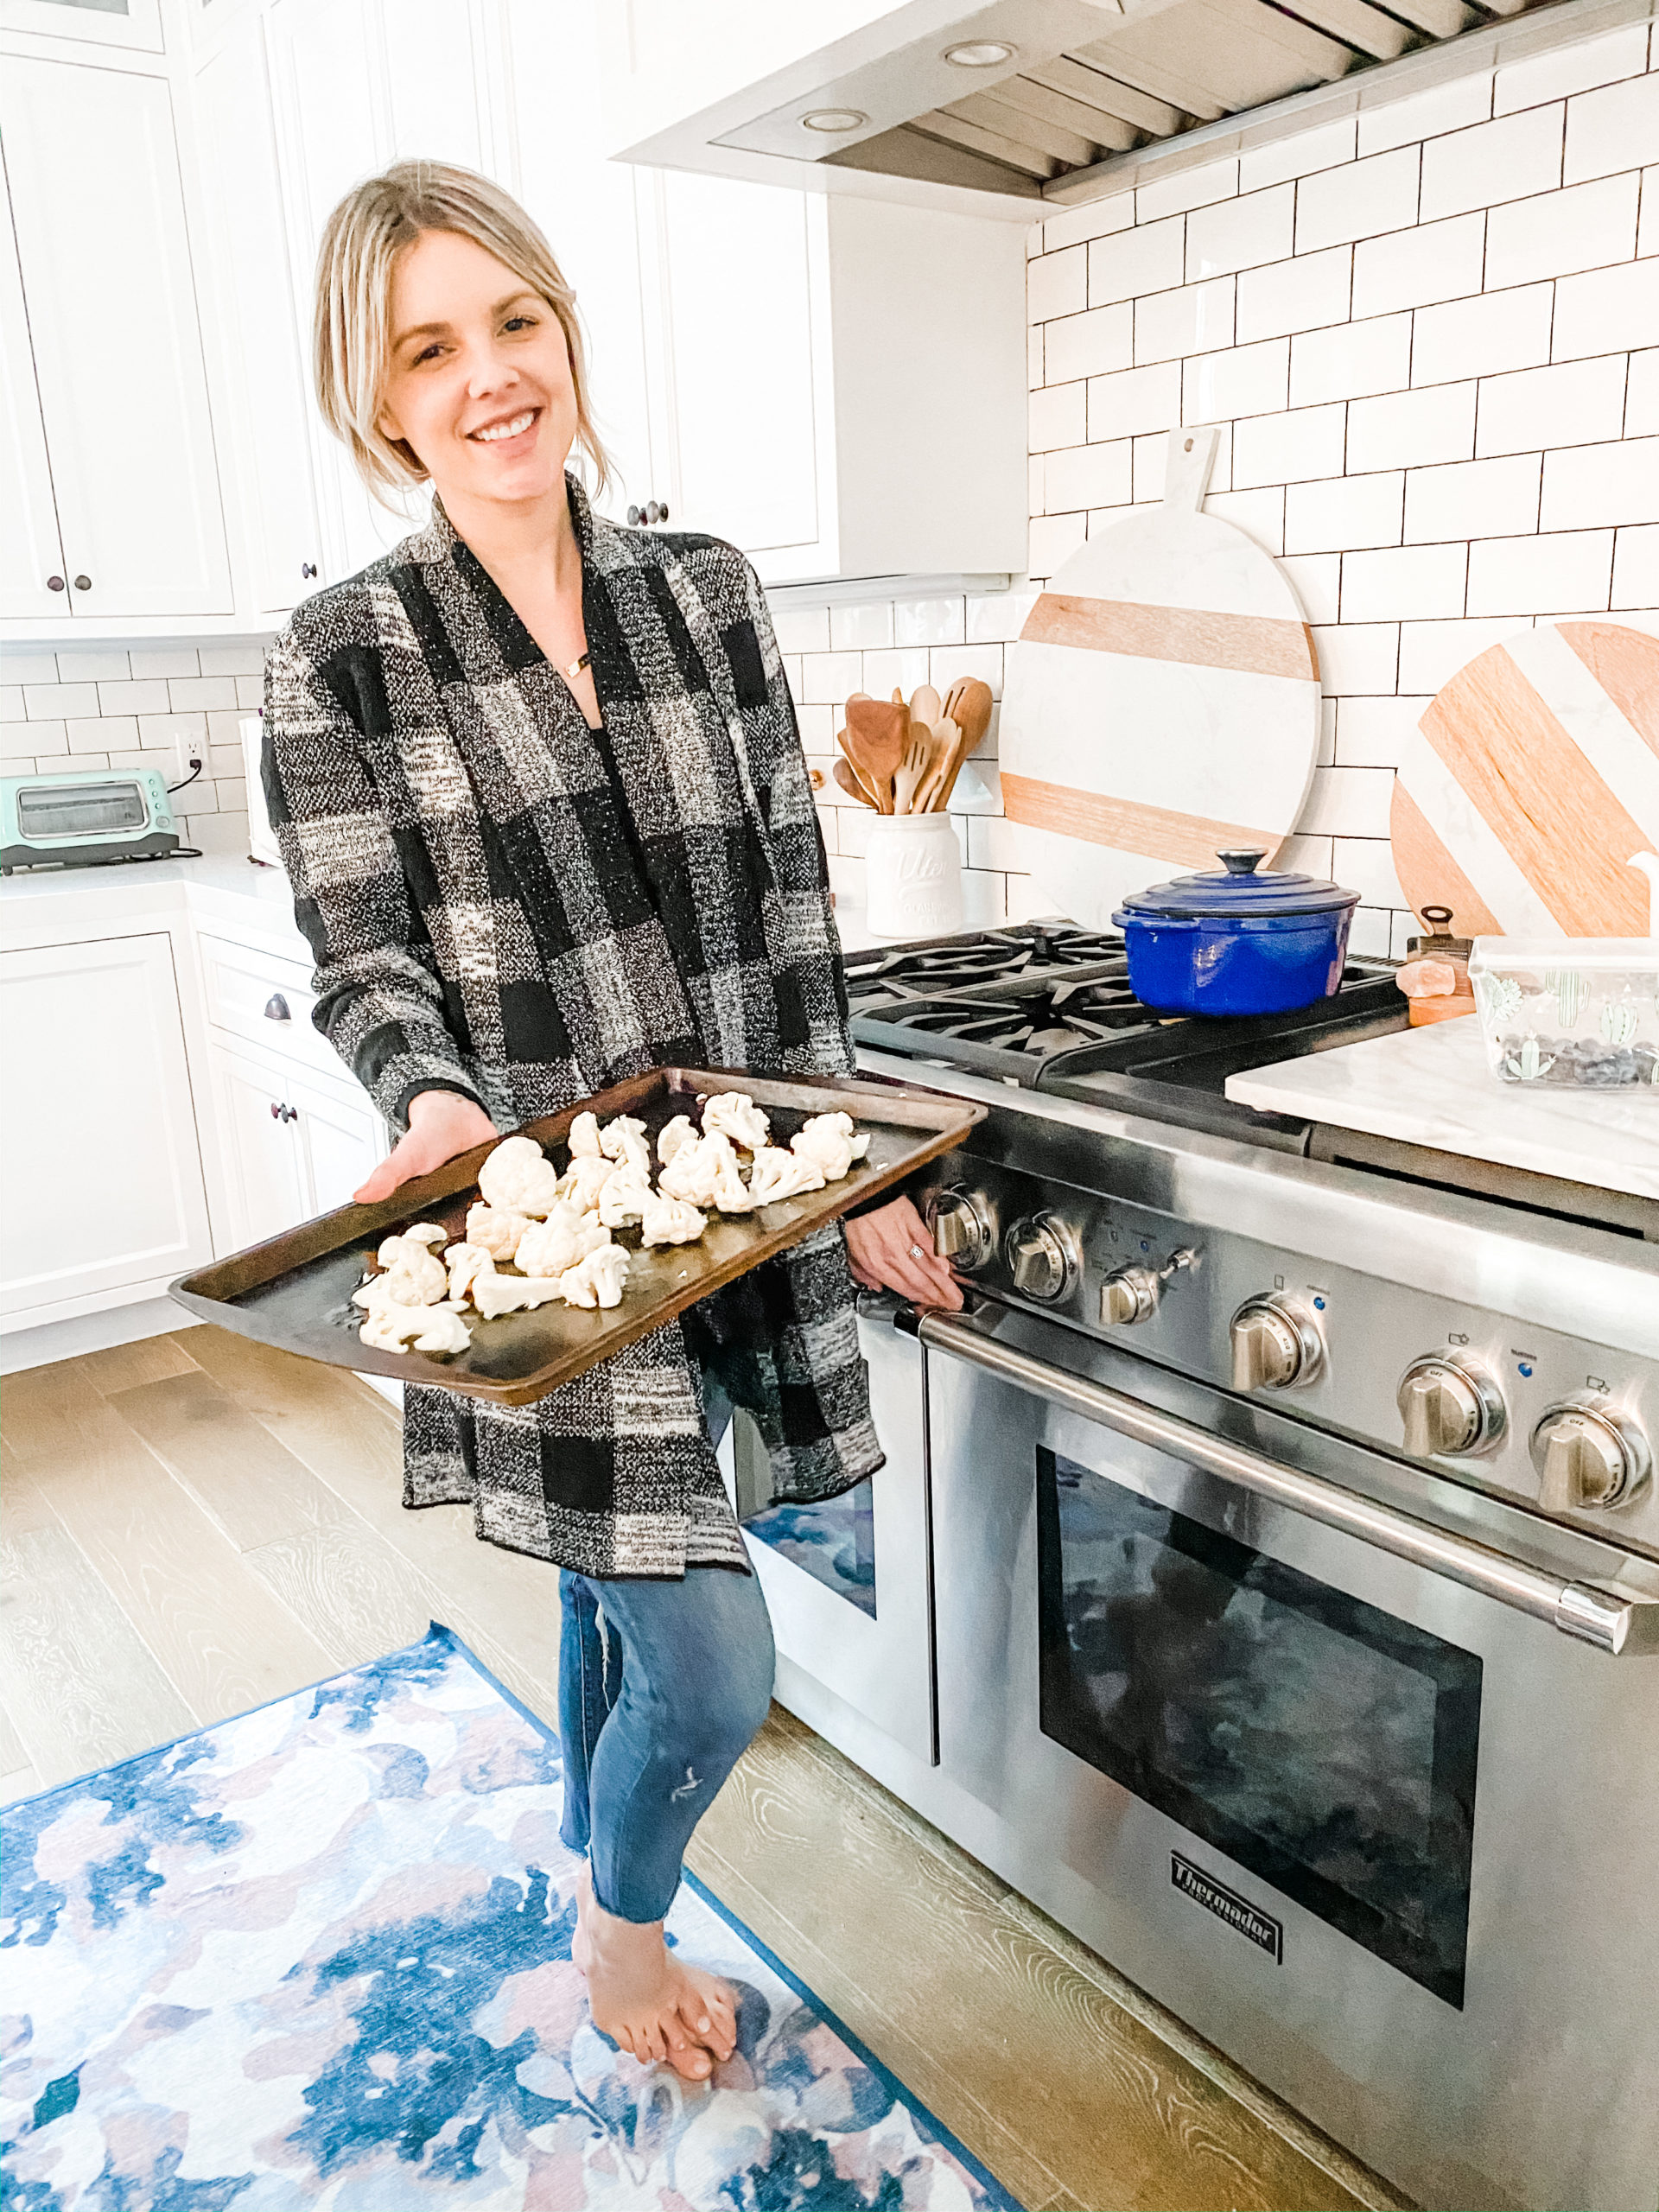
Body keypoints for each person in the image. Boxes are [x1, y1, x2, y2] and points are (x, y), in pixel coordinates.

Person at [263, 161, 963, 2084]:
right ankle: (622, 1919)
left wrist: (853, 1170)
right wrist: (433, 1097)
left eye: (514, 321)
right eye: (430, 347)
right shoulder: (345, 653)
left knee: (625, 1573)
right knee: (719, 1660)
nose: (491, 375)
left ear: (563, 326)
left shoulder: (708, 594)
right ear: (377, 400)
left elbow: (798, 913)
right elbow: (360, 951)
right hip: (551, 1234)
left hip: (736, 1199)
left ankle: (593, 1835)